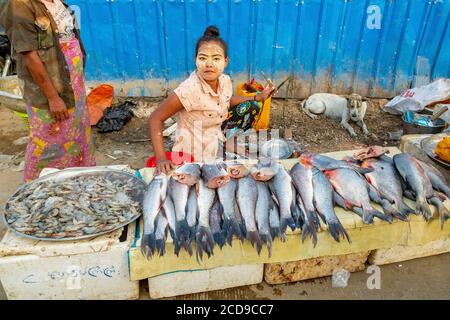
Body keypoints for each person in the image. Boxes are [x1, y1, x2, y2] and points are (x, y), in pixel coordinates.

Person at [148, 26, 275, 174]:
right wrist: (161, 158)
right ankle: (214, 152)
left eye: (216, 58)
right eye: (203, 58)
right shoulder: (189, 90)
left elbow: (226, 100)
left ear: (225, 61)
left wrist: (257, 97)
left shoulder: (224, 80)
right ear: (195, 60)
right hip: (193, 147)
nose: (209, 64)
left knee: (252, 106)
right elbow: (155, 118)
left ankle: (228, 143)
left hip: (214, 133)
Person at [0, 0, 95, 182]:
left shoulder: (56, 2)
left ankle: (76, 184)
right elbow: (30, 55)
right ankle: (39, 188)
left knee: (77, 137)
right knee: (48, 142)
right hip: (50, 89)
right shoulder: (18, 5)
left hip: (72, 86)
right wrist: (53, 97)